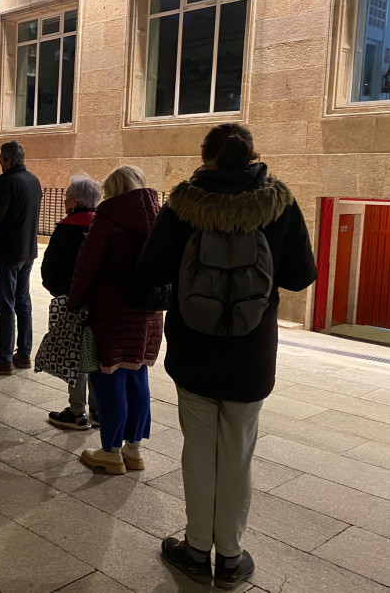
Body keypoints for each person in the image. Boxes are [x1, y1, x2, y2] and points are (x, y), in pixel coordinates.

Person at [137, 124, 317, 589]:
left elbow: (151, 269)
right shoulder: (279, 203)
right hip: (251, 354)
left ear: (205, 155)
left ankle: (196, 550)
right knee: (238, 454)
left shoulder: (182, 204)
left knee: (198, 451)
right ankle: (231, 557)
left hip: (194, 351)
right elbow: (301, 277)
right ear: (252, 153)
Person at [66, 165, 162, 476]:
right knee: (138, 378)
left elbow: (87, 266)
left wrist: (74, 302)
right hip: (148, 315)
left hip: (112, 314)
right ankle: (134, 449)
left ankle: (110, 451)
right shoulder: (159, 218)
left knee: (110, 382)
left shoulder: (107, 219)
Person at [41, 173, 102, 430]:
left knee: (76, 356)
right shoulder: (103, 225)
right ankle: (100, 411)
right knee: (97, 356)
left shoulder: (67, 227)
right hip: (100, 303)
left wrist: (59, 293)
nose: (65, 200)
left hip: (72, 300)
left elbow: (49, 269)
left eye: (66, 196)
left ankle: (77, 412)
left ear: (75, 200)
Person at [0, 140, 42, 376]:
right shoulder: (34, 180)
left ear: (8, 160)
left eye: (1, 158)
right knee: (23, 302)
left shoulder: (4, 181)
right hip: (28, 251)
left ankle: (4, 358)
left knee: (6, 304)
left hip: (7, 252)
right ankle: (24, 353)